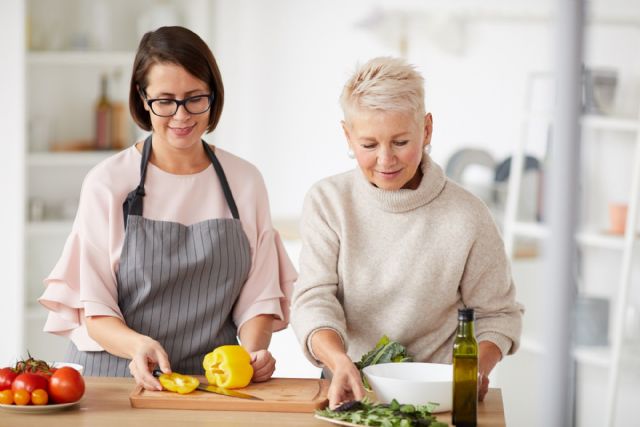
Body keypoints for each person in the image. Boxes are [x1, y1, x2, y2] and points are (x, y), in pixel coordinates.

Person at [38, 26, 296, 391]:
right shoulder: (107, 183)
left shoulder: (245, 181)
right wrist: (138, 346)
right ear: (143, 99)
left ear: (213, 96)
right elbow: (95, 311)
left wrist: (251, 354)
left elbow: (258, 299)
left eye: (194, 98)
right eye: (165, 101)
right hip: (113, 380)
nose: (181, 115)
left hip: (211, 384)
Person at [291, 57, 523, 408]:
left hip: (438, 400)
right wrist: (338, 362)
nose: (386, 160)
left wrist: (473, 368)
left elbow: (498, 315)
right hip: (349, 389)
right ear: (347, 136)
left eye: (400, 142)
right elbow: (314, 300)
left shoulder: (467, 215)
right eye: (369, 145)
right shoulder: (328, 201)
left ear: (426, 129)